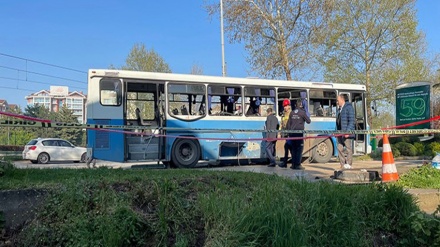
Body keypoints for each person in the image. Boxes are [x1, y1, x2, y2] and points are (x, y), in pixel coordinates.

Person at [286, 100, 311, 170]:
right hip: (299, 134)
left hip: (292, 134)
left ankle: (293, 164)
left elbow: (288, 124)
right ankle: (298, 164)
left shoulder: (291, 113)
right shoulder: (302, 113)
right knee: (299, 149)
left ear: (295, 105)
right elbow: (309, 121)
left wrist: (289, 133)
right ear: (301, 105)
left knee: (293, 149)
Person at [336, 94, 355, 169]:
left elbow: (351, 121)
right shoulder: (339, 109)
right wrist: (336, 132)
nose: (337, 102)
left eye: (337, 100)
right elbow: (337, 122)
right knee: (339, 148)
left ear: (342, 99)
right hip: (340, 132)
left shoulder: (349, 108)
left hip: (346, 132)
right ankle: (342, 164)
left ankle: (349, 164)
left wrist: (348, 132)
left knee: (348, 149)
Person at [279, 99, 291, 167]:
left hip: (290, 134)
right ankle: (286, 163)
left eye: (286, 106)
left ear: (289, 106)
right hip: (286, 134)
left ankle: (286, 163)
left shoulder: (291, 113)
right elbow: (281, 124)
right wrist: (279, 133)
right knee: (287, 147)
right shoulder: (283, 114)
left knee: (289, 147)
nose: (285, 107)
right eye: (284, 106)